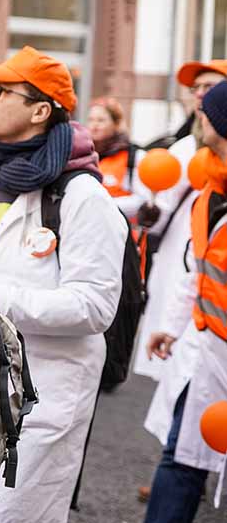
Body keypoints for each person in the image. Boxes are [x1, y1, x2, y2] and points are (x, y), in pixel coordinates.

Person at [0, 46, 126, 523]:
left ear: (41, 110)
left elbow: (95, 306)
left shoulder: (82, 197)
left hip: (46, 397)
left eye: (0, 91)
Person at [136, 61, 227, 502]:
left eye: (210, 94)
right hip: (207, 346)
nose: (199, 103)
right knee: (183, 454)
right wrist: (173, 325)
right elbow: (201, 267)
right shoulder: (209, 188)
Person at [87, 97, 151, 219]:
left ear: (116, 124)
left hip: (123, 231)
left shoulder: (134, 156)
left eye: (101, 120)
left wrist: (101, 206)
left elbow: (142, 200)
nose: (94, 126)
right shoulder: (83, 155)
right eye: (91, 120)